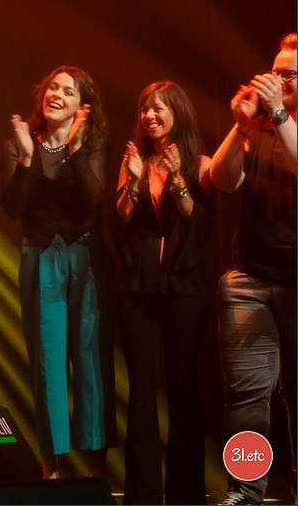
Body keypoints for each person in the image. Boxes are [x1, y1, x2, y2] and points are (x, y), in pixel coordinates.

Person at [0, 64, 110, 480]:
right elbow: (12, 207)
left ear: (83, 106)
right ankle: (53, 466)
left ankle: (96, 468)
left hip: (84, 255)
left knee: (90, 359)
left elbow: (93, 198)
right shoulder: (19, 141)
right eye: (52, 88)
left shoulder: (93, 141)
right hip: (41, 256)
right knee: (47, 361)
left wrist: (77, 146)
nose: (57, 94)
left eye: (68, 90)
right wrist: (28, 157)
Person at [113, 80, 213, 504]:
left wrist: (177, 180)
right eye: (145, 110)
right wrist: (135, 183)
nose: (149, 117)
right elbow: (120, 219)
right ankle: (142, 494)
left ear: (178, 112)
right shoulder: (134, 159)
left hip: (184, 287)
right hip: (140, 286)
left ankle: (186, 493)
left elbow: (200, 221)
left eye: (159, 109)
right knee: (141, 391)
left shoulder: (201, 161)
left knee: (184, 389)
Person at [210, 32, 296, 506]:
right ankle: (245, 491)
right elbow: (223, 181)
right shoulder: (260, 128)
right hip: (250, 280)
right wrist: (241, 128)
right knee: (246, 398)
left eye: (288, 74)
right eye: (275, 71)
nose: (276, 80)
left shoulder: (286, 123)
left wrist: (279, 114)